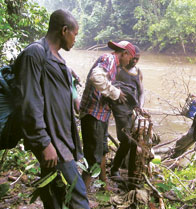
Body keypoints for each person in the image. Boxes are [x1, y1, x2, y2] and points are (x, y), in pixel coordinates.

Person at [12, 9, 90, 208]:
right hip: (53, 142)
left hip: (63, 139)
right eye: (75, 34)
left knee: (54, 196)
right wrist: (44, 142)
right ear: (65, 30)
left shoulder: (57, 58)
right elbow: (28, 101)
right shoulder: (35, 53)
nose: (75, 40)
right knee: (77, 196)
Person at [79, 40, 134, 191]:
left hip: (100, 116)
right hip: (93, 115)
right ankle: (79, 197)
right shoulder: (109, 59)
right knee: (93, 158)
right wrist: (115, 92)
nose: (130, 61)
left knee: (102, 151)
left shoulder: (114, 65)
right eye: (130, 58)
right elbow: (96, 78)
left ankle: (103, 185)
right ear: (124, 53)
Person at [110, 45, 146, 179]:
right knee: (126, 140)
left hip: (133, 110)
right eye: (133, 58)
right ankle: (114, 169)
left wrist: (141, 106)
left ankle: (131, 172)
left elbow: (141, 92)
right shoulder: (119, 69)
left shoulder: (138, 71)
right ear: (128, 56)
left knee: (135, 141)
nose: (135, 61)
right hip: (120, 110)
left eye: (137, 59)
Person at [171, 92, 196, 158]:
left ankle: (173, 158)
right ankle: (176, 160)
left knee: (178, 144)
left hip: (194, 134)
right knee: (183, 148)